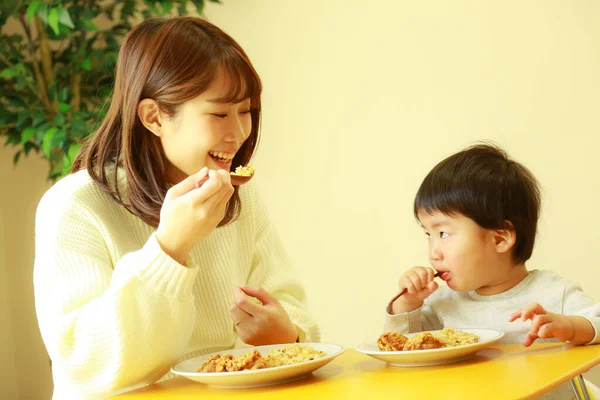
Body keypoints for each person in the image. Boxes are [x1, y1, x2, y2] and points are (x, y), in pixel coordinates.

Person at [33, 16, 319, 400]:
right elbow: (85, 363)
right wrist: (169, 249)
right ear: (154, 117)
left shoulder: (238, 196)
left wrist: (287, 334)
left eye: (246, 110)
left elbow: (293, 312)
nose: (239, 133)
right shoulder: (74, 205)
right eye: (219, 114)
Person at [384, 143, 600, 399]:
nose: (433, 251)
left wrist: (571, 327)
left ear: (500, 239)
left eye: (443, 233)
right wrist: (408, 304)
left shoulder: (553, 293)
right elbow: (399, 352)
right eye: (428, 234)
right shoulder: (443, 304)